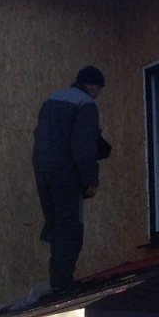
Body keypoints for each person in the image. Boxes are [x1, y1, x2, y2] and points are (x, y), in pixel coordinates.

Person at [31, 65, 109, 293]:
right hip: (66, 172)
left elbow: (40, 134)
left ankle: (57, 282)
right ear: (91, 85)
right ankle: (63, 283)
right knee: (70, 227)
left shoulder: (51, 100)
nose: (99, 93)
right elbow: (83, 145)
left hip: (42, 170)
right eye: (98, 88)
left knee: (56, 224)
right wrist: (91, 180)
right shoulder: (85, 104)